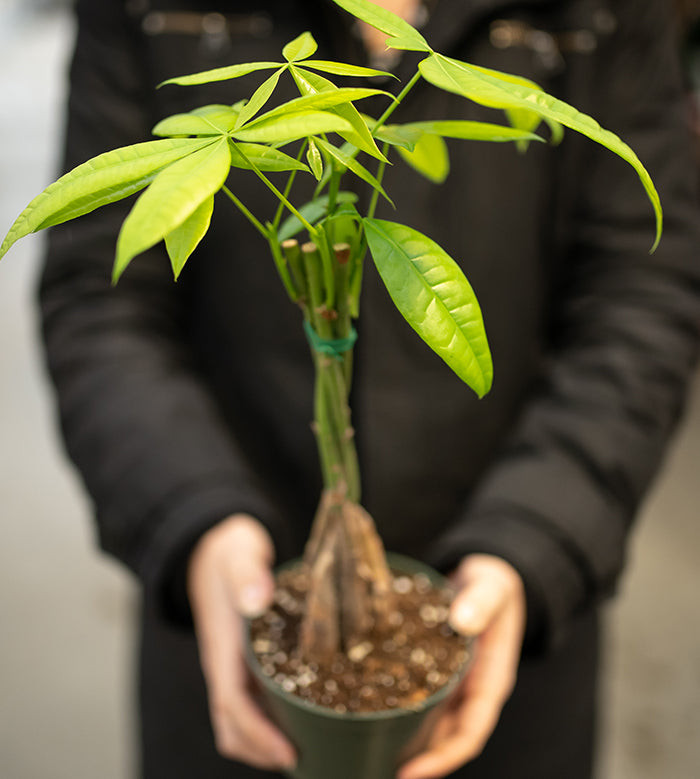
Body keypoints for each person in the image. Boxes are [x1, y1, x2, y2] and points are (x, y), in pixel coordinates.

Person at [38, 1, 700, 777]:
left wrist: (537, 535)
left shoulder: (611, 13)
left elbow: (642, 293)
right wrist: (194, 517)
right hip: (233, 625)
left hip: (513, 629)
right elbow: (100, 298)